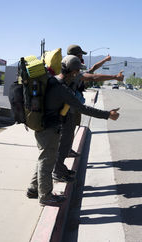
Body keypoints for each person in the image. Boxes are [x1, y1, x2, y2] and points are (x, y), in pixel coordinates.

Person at [27, 55, 120, 206]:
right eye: (77, 71)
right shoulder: (61, 89)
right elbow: (83, 108)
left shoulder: (52, 80)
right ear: (74, 72)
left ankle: (33, 188)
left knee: (44, 157)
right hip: (49, 128)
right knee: (47, 161)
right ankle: (45, 196)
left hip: (41, 124)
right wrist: (107, 115)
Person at [52, 45, 124, 182]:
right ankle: (57, 170)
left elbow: (93, 70)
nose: (82, 57)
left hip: (66, 108)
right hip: (67, 109)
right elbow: (93, 76)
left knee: (65, 139)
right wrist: (108, 114)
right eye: (80, 55)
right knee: (64, 140)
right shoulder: (70, 73)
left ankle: (59, 167)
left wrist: (105, 60)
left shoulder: (67, 68)